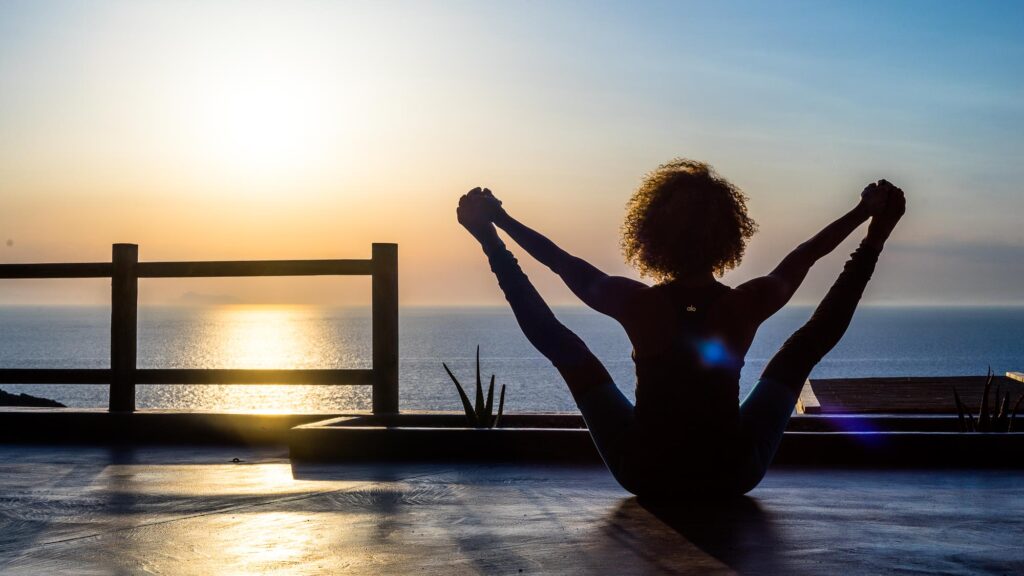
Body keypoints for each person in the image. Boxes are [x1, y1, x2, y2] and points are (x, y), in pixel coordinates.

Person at [456, 159, 905, 498]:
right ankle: (874, 245)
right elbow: (805, 257)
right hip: (731, 474)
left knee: (566, 349)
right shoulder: (743, 304)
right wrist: (868, 222)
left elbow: (559, 262)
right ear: (730, 234)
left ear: (649, 235)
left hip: (646, 474)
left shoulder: (637, 303)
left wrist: (496, 227)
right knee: (801, 350)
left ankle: (492, 247)